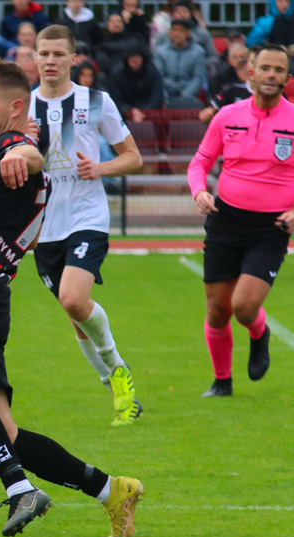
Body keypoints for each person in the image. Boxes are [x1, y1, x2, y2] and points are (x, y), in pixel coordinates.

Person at [0, 58, 144, 537]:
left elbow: (27, 151)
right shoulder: (0, 160)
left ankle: (18, 488)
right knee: (6, 432)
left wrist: (20, 153)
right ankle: (113, 490)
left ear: (16, 106)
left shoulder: (15, 145)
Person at [30, 25, 144, 425]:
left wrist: (101, 168)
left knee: (74, 299)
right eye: (44, 54)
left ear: (73, 59)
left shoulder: (96, 101)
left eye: (59, 54)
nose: (50, 61)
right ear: (34, 57)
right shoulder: (22, 109)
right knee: (75, 315)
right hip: (44, 228)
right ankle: (111, 382)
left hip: (87, 219)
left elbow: (133, 157)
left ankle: (118, 371)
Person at [187, 44, 294, 397]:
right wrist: (200, 191)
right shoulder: (227, 115)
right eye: (265, 68)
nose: (271, 75)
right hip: (224, 220)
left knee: (244, 306)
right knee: (217, 310)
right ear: (250, 72)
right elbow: (199, 162)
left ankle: (259, 333)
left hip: (271, 228)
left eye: (279, 70)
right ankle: (222, 382)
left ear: (286, 78)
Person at [152, 19, 206, 106]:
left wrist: (185, 97)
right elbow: (158, 77)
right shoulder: (160, 51)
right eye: (174, 30)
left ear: (187, 33)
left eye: (181, 31)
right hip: (166, 94)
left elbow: (198, 78)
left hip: (188, 96)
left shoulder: (198, 52)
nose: (177, 34)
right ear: (170, 33)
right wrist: (164, 97)